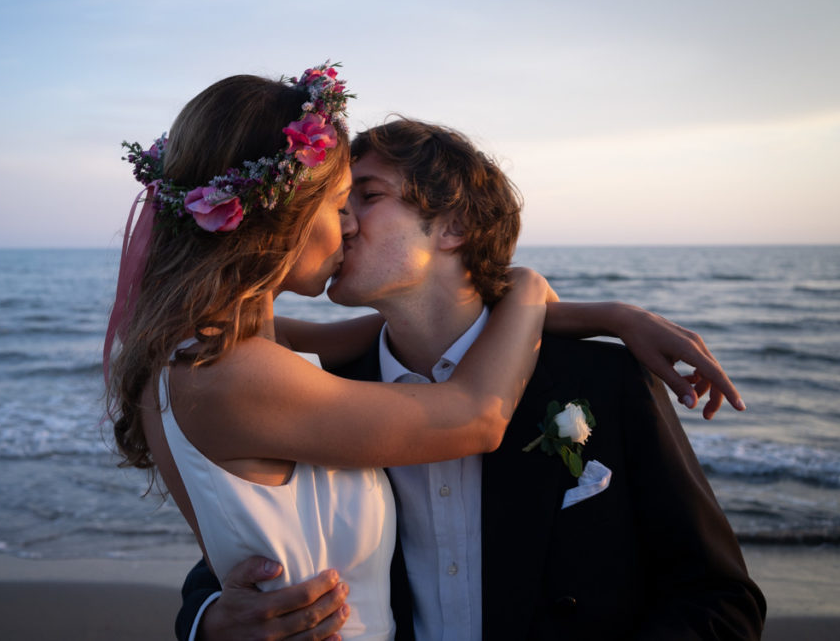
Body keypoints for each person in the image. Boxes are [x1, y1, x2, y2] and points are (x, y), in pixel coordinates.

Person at [176, 119, 765, 640]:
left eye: (368, 195)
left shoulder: (603, 376)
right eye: (337, 202)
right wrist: (210, 620)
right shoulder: (320, 387)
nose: (341, 223)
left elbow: (720, 599)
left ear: (453, 226)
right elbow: (253, 537)